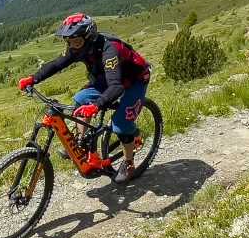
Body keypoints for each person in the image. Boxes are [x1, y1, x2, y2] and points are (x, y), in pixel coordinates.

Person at [18, 13, 152, 183]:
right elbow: (57, 64)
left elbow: (117, 87)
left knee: (121, 123)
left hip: (134, 81)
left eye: (75, 42)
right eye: (68, 42)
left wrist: (96, 106)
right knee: (81, 100)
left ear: (89, 37)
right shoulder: (78, 48)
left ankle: (128, 162)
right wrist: (34, 78)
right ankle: (81, 143)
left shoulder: (109, 50)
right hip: (107, 79)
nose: (71, 47)